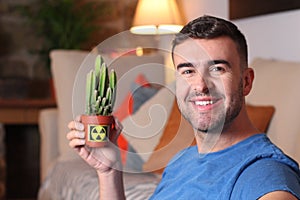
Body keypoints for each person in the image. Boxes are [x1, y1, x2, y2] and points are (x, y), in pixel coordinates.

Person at [67, 15, 300, 199]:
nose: (200, 85)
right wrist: (110, 172)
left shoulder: (264, 175)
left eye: (217, 69)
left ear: (246, 81)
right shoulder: (181, 161)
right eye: (188, 71)